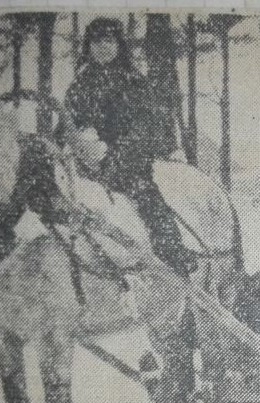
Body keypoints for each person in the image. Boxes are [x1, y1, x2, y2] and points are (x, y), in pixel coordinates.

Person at [64, 17, 196, 277]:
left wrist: (112, 155)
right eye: (96, 41)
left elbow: (144, 129)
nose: (103, 47)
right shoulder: (78, 87)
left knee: (147, 196)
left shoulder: (133, 83)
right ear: (88, 46)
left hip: (127, 163)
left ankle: (173, 251)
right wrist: (76, 145)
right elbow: (67, 126)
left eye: (109, 41)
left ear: (118, 45)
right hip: (82, 166)